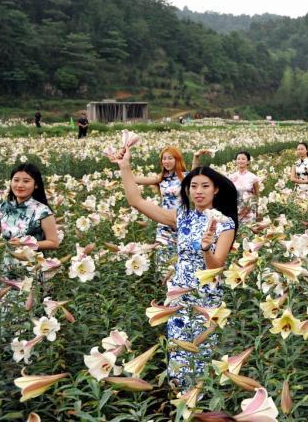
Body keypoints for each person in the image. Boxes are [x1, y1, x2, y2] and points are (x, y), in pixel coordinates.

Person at [111, 147, 237, 390]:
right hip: (178, 295)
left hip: (206, 298)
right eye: (193, 186)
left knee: (202, 356)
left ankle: (199, 407)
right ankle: (181, 401)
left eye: (205, 186)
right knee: (178, 356)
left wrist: (206, 249)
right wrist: (124, 166)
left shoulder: (225, 222)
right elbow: (136, 201)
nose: (198, 191)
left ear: (216, 189)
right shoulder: (182, 217)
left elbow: (217, 266)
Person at [133, 147, 188, 268]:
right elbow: (135, 180)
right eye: (164, 159)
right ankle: (164, 283)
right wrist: (122, 166)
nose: (166, 161)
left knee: (182, 255)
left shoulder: (185, 177)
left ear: (177, 159)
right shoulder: (161, 178)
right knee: (163, 255)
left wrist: (196, 157)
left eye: (170, 158)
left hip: (181, 220)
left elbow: (197, 173)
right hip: (163, 221)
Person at [227, 151, 261, 224]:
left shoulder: (253, 177)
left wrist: (257, 212)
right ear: (236, 161)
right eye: (238, 159)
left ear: (248, 162)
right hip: (235, 209)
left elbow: (257, 195)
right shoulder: (231, 177)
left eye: (243, 159)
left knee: (248, 231)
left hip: (248, 210)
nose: (240, 161)